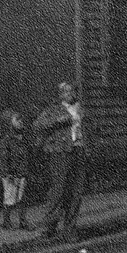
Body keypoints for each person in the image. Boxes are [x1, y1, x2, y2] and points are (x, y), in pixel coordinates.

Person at [32, 81, 87, 242]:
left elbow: (91, 128)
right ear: (60, 94)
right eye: (65, 91)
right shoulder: (54, 109)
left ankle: (70, 229)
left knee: (76, 192)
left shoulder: (81, 109)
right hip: (60, 153)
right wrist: (59, 121)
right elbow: (37, 125)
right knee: (59, 189)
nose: (69, 94)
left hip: (79, 151)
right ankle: (48, 227)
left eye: (72, 91)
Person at [0, 109, 35, 230]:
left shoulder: (23, 138)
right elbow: (3, 158)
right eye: (17, 120)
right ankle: (6, 222)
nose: (20, 122)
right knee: (10, 198)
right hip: (11, 174)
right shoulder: (7, 140)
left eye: (21, 120)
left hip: (21, 172)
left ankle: (22, 221)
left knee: (21, 198)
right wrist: (7, 173)